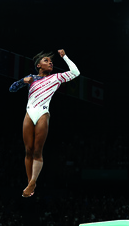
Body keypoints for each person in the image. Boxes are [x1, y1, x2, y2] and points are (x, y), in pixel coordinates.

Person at [9, 49, 80, 197]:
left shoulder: (56, 78)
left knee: (37, 150)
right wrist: (22, 81)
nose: (50, 63)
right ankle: (30, 184)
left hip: (42, 113)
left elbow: (75, 72)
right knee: (28, 150)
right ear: (38, 65)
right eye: (46, 61)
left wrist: (65, 57)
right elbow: (12, 89)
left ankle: (33, 180)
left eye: (51, 61)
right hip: (29, 113)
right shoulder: (31, 78)